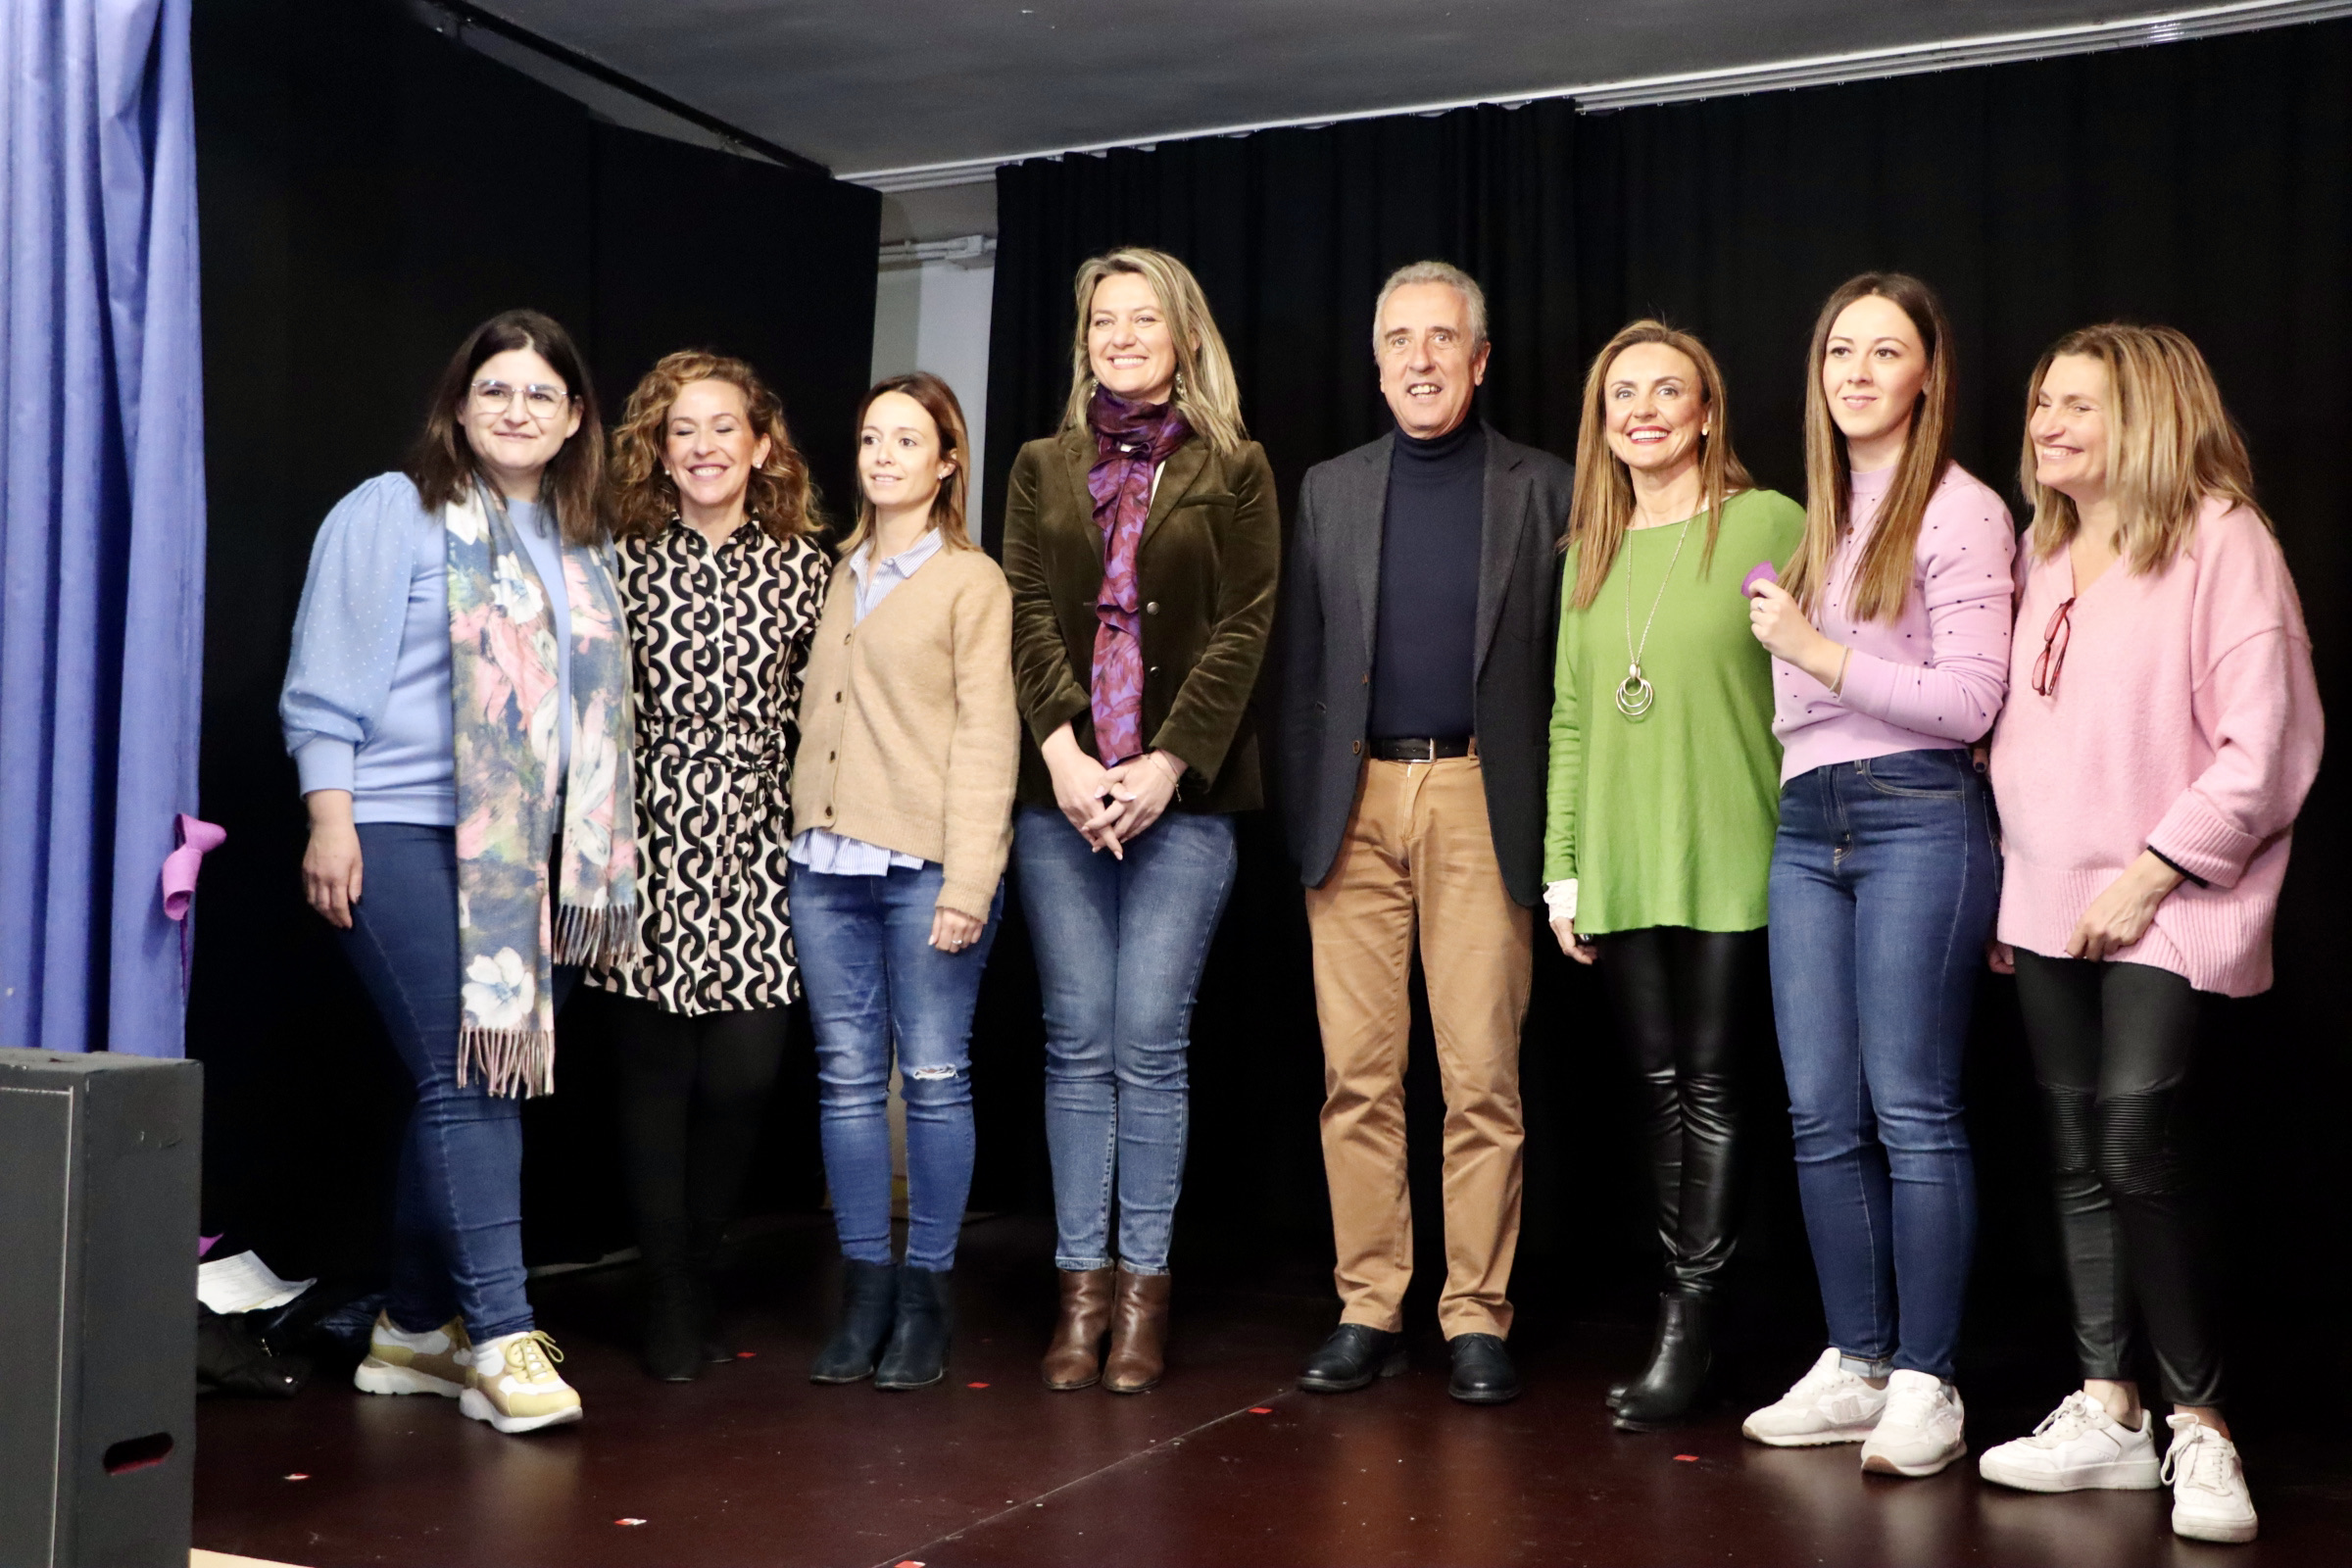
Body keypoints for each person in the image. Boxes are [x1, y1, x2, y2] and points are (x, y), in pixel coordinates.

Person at [1977, 324, 2320, 1545]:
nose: (2048, 425)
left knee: (2134, 1140)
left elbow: (2268, 744)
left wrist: (2154, 870)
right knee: (2073, 1153)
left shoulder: (2225, 540)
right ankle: (2110, 1412)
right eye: (2040, 404)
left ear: (2155, 415)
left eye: (2078, 406)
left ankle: (2202, 1428)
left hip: (2168, 898)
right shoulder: (2046, 543)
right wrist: (2025, 880)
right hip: (2046, 900)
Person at [281, 308, 638, 1435]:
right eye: (497, 390)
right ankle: (499, 1336)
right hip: (393, 826)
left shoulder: (586, 543)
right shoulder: (392, 512)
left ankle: (412, 1325)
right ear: (460, 403)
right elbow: (323, 683)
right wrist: (327, 818)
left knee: (458, 1084)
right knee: (472, 1078)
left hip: (533, 860)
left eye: (542, 394)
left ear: (575, 416)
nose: (517, 410)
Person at [1280, 261, 1573, 1406]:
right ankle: (1368, 1303)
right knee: (1356, 1077)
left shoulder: (1544, 488)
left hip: (1478, 795)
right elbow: (1303, 665)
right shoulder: (1330, 489)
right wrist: (1311, 813)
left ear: (1480, 357)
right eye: (1398, 337)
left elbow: (1564, 674)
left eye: (1441, 338)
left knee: (1480, 1076)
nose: (1419, 357)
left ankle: (1475, 1314)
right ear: (1376, 358)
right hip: (1352, 805)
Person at [1738, 274, 2014, 1476]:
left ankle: (1927, 1384)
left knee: (1912, 1108)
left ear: (1925, 374)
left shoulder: (1959, 510)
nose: (1855, 371)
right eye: (1838, 350)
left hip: (1917, 816)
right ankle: (1855, 1361)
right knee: (1818, 1113)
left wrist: (1812, 648)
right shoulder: (1821, 514)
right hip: (1807, 822)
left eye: (1883, 351)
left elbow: (1969, 701)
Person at [1002, 248, 1279, 1395]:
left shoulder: (1238, 465)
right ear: (1086, 343)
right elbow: (1021, 607)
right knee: (1077, 1045)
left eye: (1142, 319)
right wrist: (1065, 754)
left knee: (1148, 1045)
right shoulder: (1038, 465)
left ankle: (1143, 1297)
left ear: (1182, 335)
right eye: (1102, 322)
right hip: (1060, 794)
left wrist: (1165, 763)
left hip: (1186, 800)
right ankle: (1079, 1296)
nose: (1121, 337)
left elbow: (1247, 625)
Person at [1544, 320, 1804, 1432]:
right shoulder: (1587, 550)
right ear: (1603, 423)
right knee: (1656, 1094)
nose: (1643, 410)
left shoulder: (1769, 522)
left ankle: (1696, 1321)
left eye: (1667, 392)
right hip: (1621, 855)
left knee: (1719, 1090)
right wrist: (1561, 868)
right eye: (1622, 396)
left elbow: (1817, 686)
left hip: (1738, 848)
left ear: (1707, 413)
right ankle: (1682, 1314)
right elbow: (1568, 718)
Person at [588, 351, 829, 1381]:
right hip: (642, 840)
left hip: (760, 843)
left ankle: (702, 1252)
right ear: (658, 447)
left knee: (742, 1075)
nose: (704, 446)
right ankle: (671, 1294)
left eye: (724, 426)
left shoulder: (810, 567)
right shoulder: (618, 559)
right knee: (652, 1080)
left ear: (761, 443)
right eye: (682, 429)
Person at [790, 372, 1019, 1392]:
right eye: (871, 438)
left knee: (931, 1078)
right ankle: (863, 1292)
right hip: (825, 864)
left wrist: (972, 878)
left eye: (906, 440)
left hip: (929, 866)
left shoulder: (974, 582)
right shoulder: (837, 571)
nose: (883, 457)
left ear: (946, 460)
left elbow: (987, 737)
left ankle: (928, 1296)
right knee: (845, 1083)